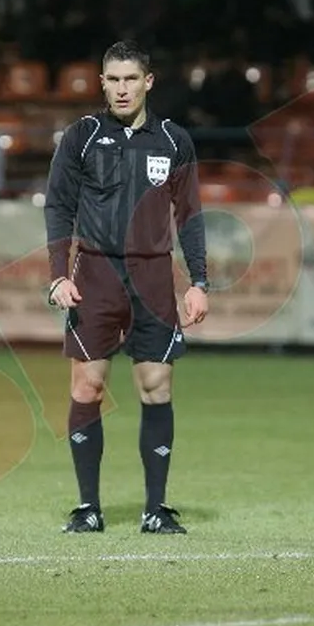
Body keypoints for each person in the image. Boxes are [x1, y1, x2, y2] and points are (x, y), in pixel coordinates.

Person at [44, 40, 208, 534]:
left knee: (156, 387)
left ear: (148, 82)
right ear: (102, 83)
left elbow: (190, 215)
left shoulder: (174, 140)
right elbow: (58, 206)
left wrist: (199, 281)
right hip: (95, 276)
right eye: (112, 80)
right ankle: (87, 508)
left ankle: (155, 510)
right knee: (87, 387)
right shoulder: (82, 136)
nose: (121, 89)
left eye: (130, 79)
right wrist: (58, 274)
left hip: (153, 277)